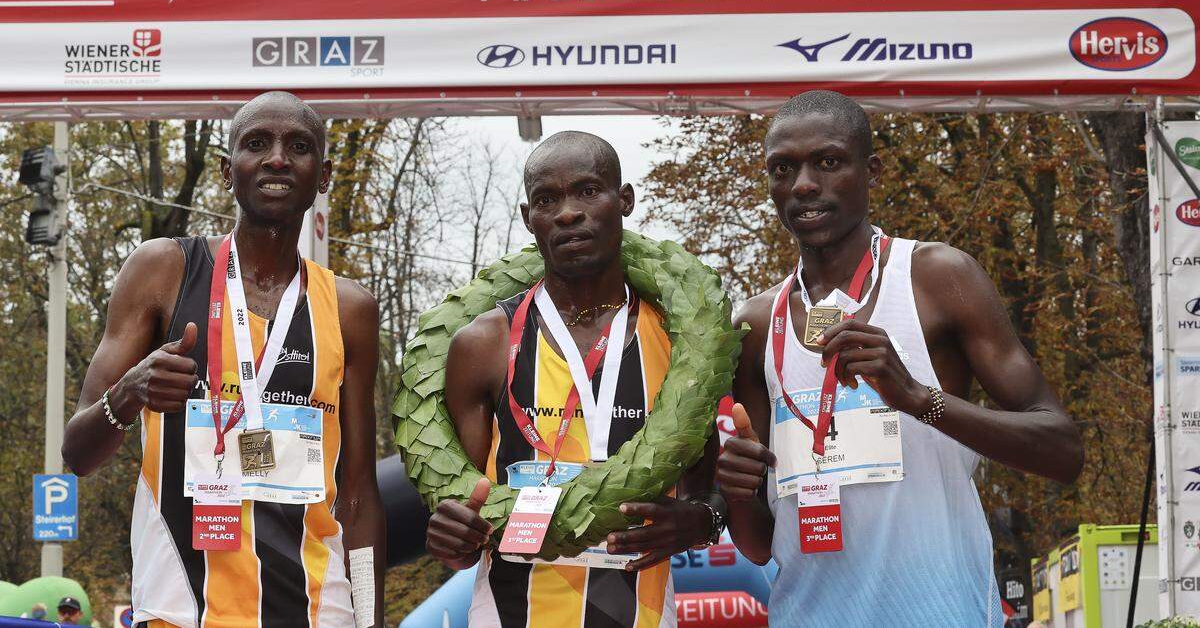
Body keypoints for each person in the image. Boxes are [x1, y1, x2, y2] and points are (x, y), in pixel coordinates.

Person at [716, 90, 1083, 626]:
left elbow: (1062, 451)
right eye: (783, 169)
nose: (803, 184)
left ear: (872, 170)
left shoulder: (938, 279)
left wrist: (917, 399)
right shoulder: (754, 324)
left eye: (828, 161)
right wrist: (739, 491)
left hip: (944, 611)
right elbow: (759, 547)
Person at [61, 91, 385, 628]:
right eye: (257, 144)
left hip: (317, 609)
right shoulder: (162, 270)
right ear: (225, 169)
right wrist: (130, 392)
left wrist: (371, 620)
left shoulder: (350, 308)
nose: (277, 158)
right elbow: (77, 454)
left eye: (298, 146)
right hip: (180, 607)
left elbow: (358, 494)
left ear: (323, 175)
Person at [425, 131, 724, 627]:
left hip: (644, 614)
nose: (567, 213)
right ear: (529, 219)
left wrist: (701, 519)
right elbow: (463, 521)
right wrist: (448, 536)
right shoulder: (484, 344)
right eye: (547, 199)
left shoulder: (677, 342)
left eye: (587, 191)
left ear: (623, 200)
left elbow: (705, 490)